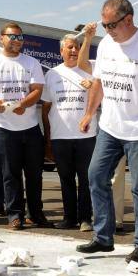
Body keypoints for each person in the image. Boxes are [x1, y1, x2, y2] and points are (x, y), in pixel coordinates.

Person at [77, 0, 138, 263]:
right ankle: (103, 238)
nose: (106, 31)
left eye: (110, 25)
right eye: (104, 25)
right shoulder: (107, 44)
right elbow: (99, 81)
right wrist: (88, 113)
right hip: (110, 127)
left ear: (128, 20)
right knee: (96, 175)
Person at [0, 23, 52, 230]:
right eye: (12, 37)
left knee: (35, 174)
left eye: (20, 37)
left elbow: (37, 89)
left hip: (29, 127)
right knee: (10, 175)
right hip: (1, 127)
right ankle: (14, 215)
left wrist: (23, 104)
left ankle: (36, 214)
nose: (17, 41)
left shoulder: (32, 62)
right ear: (2, 38)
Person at [42, 23, 97, 231]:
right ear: (61, 51)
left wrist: (92, 88)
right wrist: (47, 137)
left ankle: (85, 219)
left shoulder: (90, 70)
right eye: (70, 47)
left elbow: (102, 99)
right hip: (60, 136)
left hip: (86, 135)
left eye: (76, 47)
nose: (74, 50)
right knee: (65, 179)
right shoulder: (52, 75)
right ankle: (69, 218)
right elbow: (46, 108)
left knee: (85, 179)